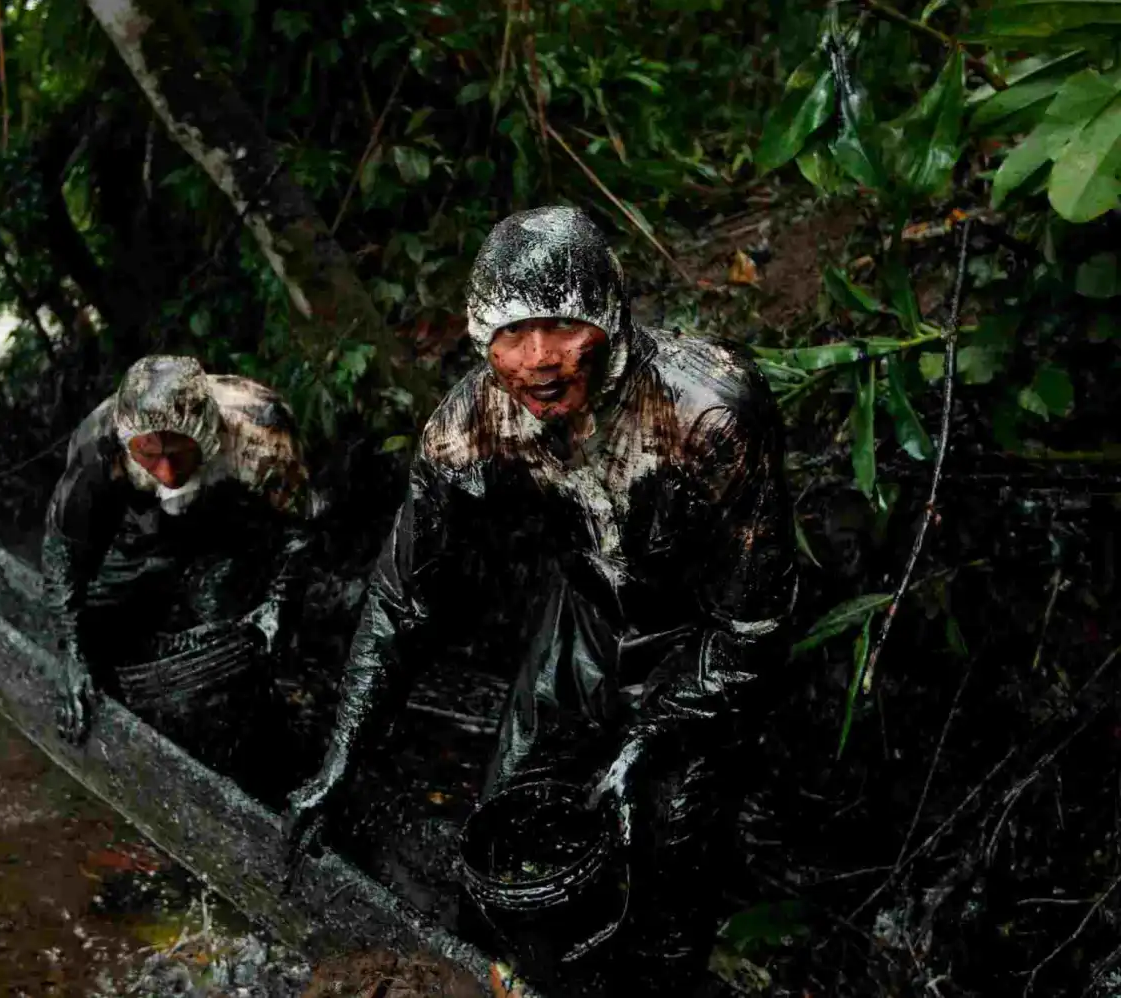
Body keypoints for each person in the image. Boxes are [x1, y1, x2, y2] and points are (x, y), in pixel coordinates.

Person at [284, 206, 797, 990]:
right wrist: (341, 756)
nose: (538, 360)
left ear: (610, 319)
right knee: (502, 847)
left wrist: (640, 746)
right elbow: (401, 596)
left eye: (560, 326)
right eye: (512, 334)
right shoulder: (471, 423)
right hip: (583, 621)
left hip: (698, 641)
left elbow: (752, 627)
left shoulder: (709, 413)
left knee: (667, 864)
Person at [42, 355, 312, 785]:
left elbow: (299, 531)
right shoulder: (101, 444)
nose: (166, 471)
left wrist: (279, 605)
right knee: (97, 622)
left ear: (205, 433)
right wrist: (71, 653)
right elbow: (65, 550)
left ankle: (256, 727)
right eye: (150, 455)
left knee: (224, 614)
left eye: (176, 453)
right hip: (140, 523)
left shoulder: (261, 435)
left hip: (230, 518)